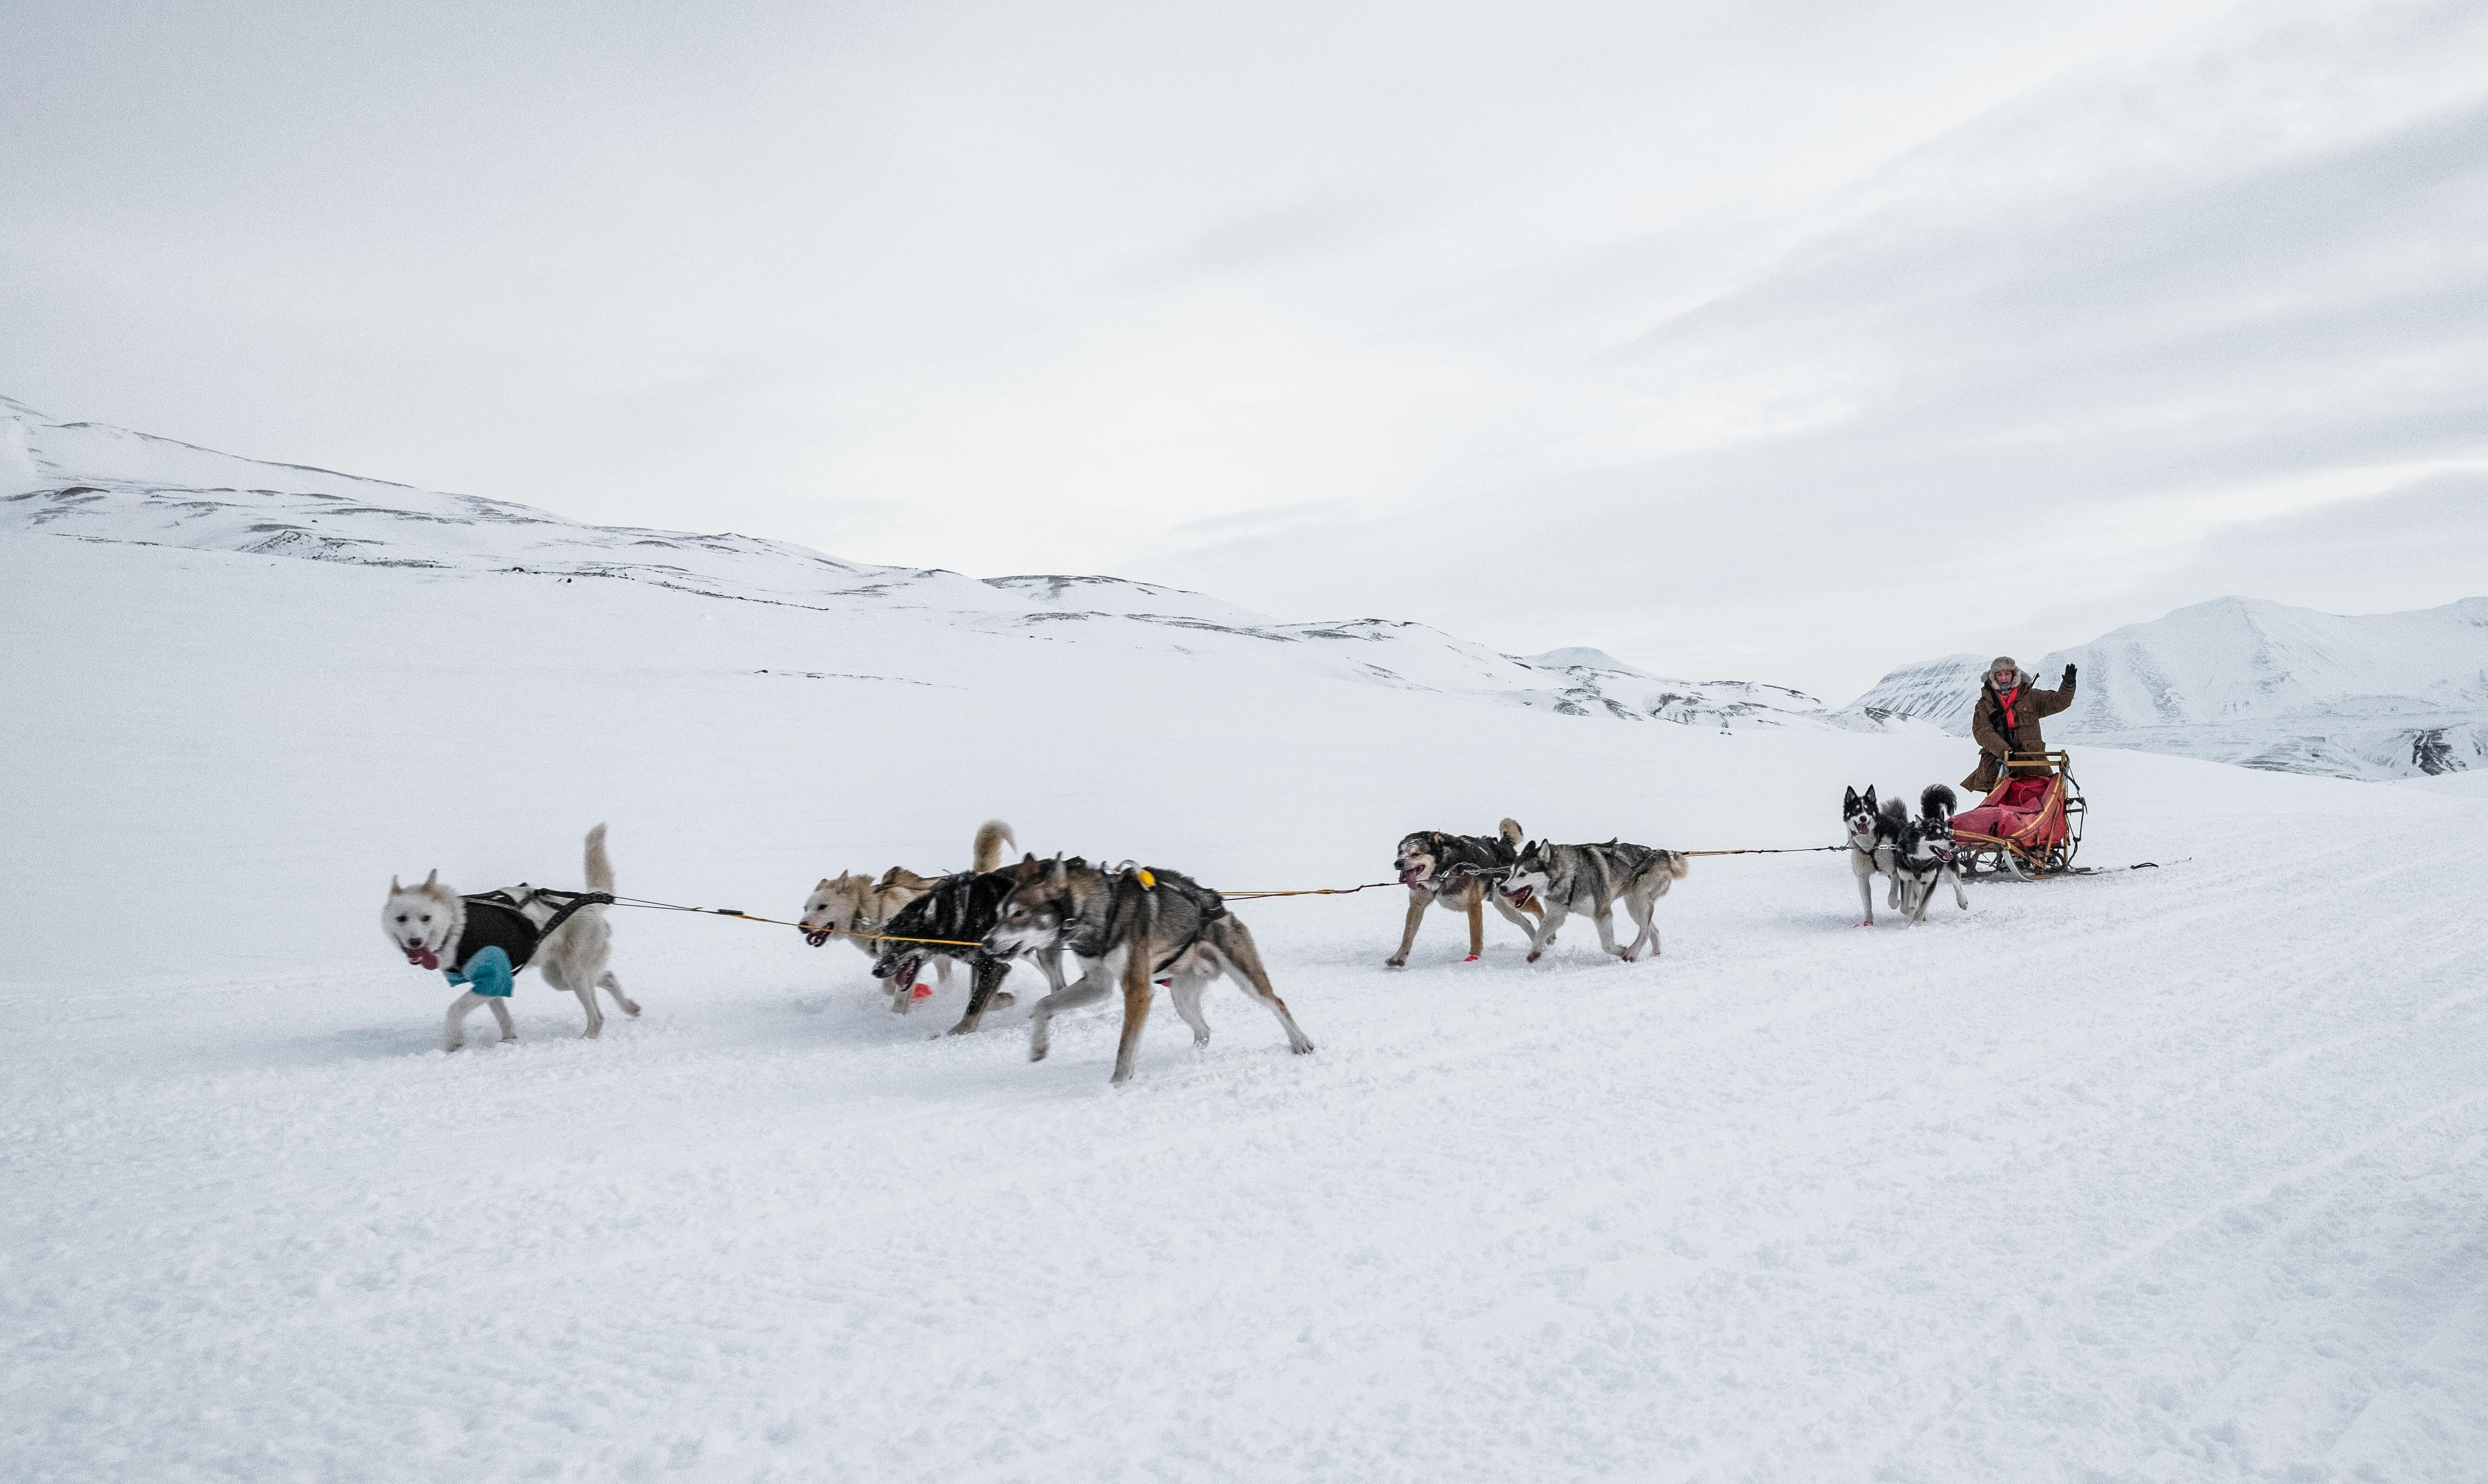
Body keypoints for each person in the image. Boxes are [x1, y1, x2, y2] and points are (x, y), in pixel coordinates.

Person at [1962, 655, 2076, 794]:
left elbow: (2059, 702)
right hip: (1998, 767)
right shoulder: (1984, 704)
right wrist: (2004, 751)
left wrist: (2068, 685)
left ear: (2014, 675)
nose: (2003, 678)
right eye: (1999, 674)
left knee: (2037, 803)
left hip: (2032, 764)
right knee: (1999, 806)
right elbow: (1982, 731)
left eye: (2007, 674)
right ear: (1993, 677)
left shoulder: (2032, 697)